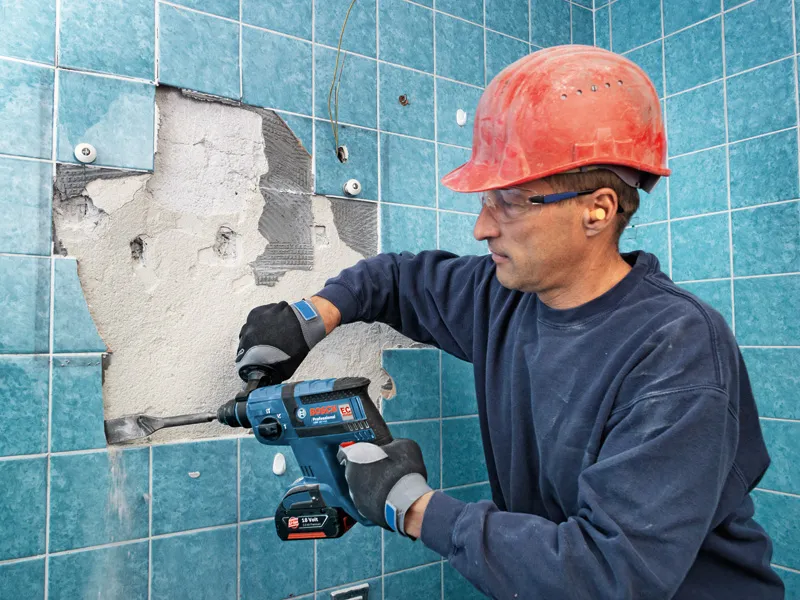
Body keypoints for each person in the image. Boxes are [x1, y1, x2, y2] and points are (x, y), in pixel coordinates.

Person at [236, 46, 785, 599]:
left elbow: (608, 575)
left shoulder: (676, 350)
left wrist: (412, 506)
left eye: (509, 202)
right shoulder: (504, 297)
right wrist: (307, 317)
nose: (481, 227)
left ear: (596, 210)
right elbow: (397, 279)